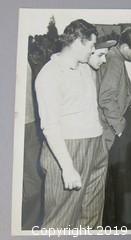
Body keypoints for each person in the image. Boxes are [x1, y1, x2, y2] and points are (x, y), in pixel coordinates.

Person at [35, 19, 108, 228]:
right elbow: (50, 126)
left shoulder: (84, 67)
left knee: (92, 215)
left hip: (95, 144)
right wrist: (67, 167)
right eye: (92, 45)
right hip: (69, 148)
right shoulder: (50, 75)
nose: (94, 50)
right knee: (60, 218)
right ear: (77, 42)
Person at [98, 27, 131, 228]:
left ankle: (117, 221)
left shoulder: (116, 57)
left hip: (119, 123)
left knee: (119, 178)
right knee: (124, 178)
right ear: (125, 46)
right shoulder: (115, 62)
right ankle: (127, 224)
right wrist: (120, 128)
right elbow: (106, 97)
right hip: (116, 127)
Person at [22, 61, 44, 230]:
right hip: (24, 125)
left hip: (28, 124)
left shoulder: (24, 62)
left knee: (34, 183)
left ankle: (28, 227)